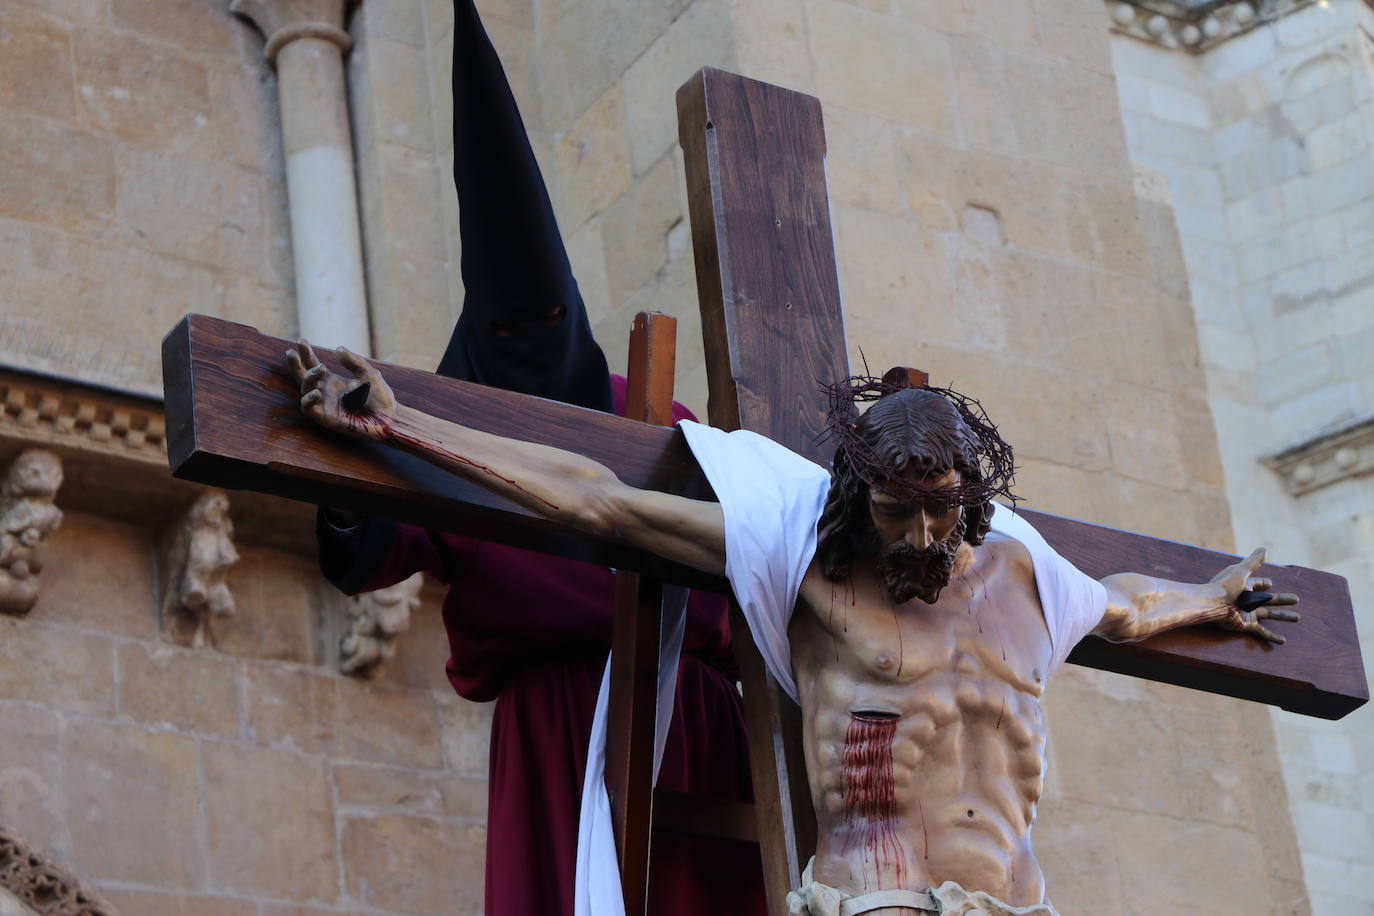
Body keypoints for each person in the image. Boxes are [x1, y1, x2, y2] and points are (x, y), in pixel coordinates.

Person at [290, 349, 1299, 915]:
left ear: (971, 496)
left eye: (939, 511)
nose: (917, 536)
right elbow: (595, 502)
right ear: (862, 494)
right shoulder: (801, 552)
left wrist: (1212, 597)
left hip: (1017, 900)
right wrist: (408, 428)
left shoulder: (1031, 573)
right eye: (895, 512)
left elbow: (1128, 603)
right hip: (877, 902)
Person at [314, 2, 765, 913]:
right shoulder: (443, 434)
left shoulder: (653, 419)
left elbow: (763, 539)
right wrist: (345, 457)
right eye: (511, 335)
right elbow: (365, 547)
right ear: (478, 345)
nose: (533, 347)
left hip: (694, 716)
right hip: (554, 729)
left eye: (547, 327)